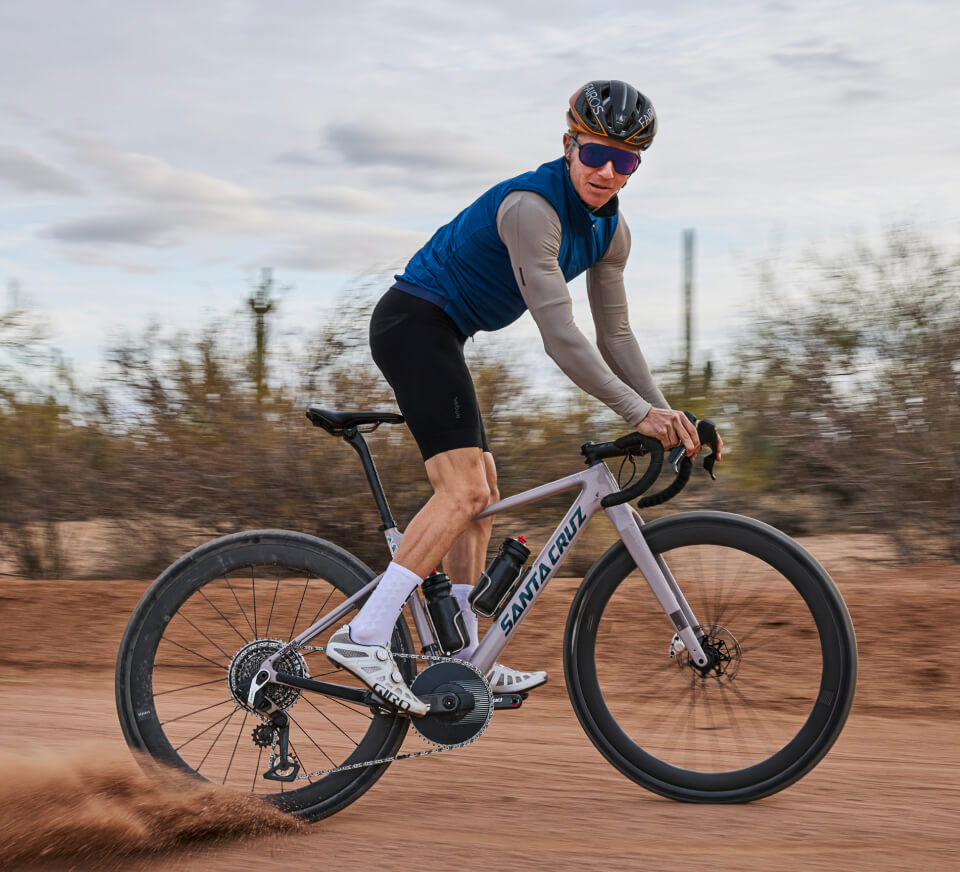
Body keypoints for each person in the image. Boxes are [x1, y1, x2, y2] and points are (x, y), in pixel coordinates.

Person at [328, 80, 722, 715]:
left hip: (446, 334)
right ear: (569, 145)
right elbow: (560, 336)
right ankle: (365, 635)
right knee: (463, 492)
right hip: (413, 323)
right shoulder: (531, 209)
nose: (607, 172)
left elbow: (616, 337)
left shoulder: (611, 232)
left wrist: (668, 415)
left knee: (482, 497)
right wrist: (638, 413)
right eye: (596, 153)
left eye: (625, 161)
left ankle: (462, 656)